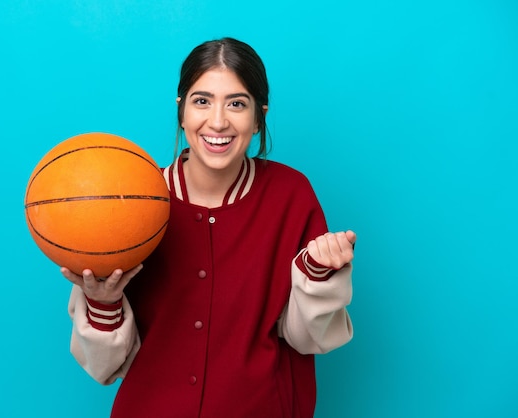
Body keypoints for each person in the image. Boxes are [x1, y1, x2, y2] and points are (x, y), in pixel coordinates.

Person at [62, 37, 356, 418]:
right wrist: (103, 302)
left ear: (258, 117)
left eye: (237, 103)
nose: (218, 121)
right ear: (181, 110)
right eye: (202, 101)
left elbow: (308, 338)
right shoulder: (130, 202)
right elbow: (105, 367)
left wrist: (316, 274)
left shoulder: (291, 194)